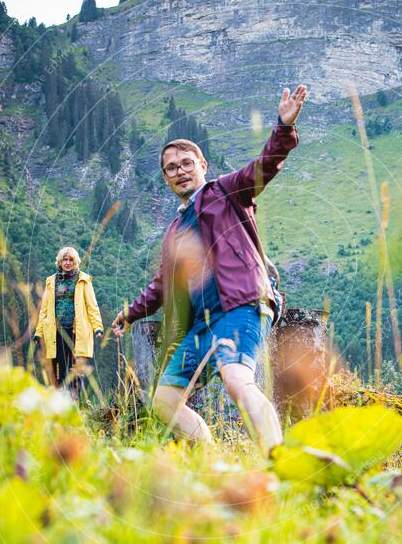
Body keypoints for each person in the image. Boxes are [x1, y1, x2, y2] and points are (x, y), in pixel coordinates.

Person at [112, 85, 307, 451]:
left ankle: (278, 463)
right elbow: (160, 288)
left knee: (237, 380)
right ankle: (208, 458)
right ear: (166, 179)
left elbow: (265, 166)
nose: (180, 171)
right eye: (171, 168)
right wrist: (130, 313)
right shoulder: (173, 233)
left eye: (186, 163)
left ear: (202, 165)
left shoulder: (226, 192)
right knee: (164, 401)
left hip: (242, 307)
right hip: (202, 324)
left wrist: (283, 127)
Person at [34, 246, 104, 395]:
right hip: (55, 332)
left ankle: (76, 404)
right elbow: (44, 310)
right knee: (57, 368)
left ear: (75, 262)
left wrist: (98, 327)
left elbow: (92, 306)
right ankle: (57, 404)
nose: (67, 262)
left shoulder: (83, 280)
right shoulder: (51, 281)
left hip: (76, 332)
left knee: (76, 368)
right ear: (60, 262)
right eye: (64, 259)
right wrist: (38, 333)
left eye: (70, 260)